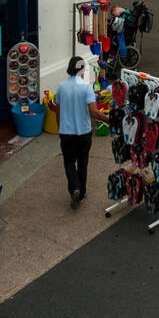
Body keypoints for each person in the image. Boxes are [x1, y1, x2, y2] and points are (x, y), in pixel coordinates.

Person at [56, 56, 108, 209]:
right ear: (82, 70)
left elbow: (58, 111)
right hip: (84, 134)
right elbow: (93, 112)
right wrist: (109, 119)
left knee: (69, 162)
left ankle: (75, 189)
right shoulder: (86, 88)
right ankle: (82, 192)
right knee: (83, 162)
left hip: (66, 134)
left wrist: (60, 128)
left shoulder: (61, 87)